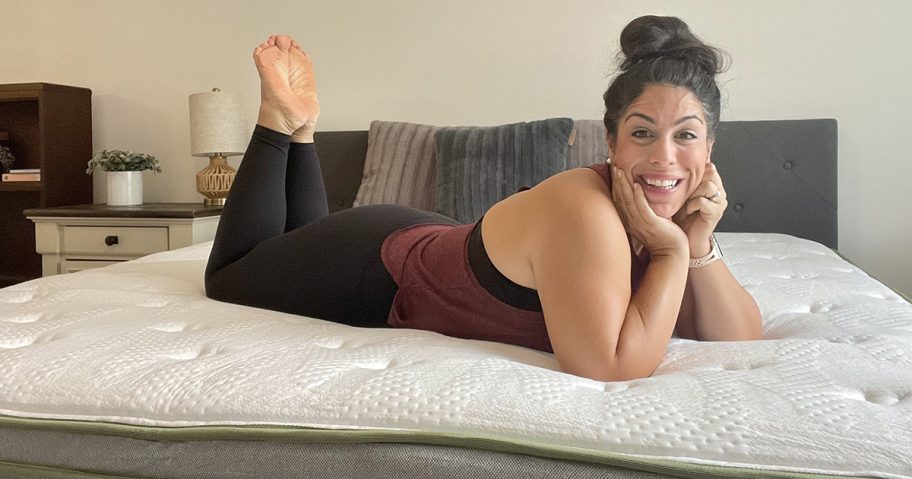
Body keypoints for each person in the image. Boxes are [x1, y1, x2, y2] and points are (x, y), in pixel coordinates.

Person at [205, 16, 762, 382]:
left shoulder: (674, 212)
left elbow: (739, 334)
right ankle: (281, 126)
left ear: (709, 147)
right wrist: (668, 254)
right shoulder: (586, 208)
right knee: (230, 276)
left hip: (434, 236)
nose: (665, 156)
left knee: (289, 248)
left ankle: (301, 132)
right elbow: (609, 369)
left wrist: (696, 242)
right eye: (642, 133)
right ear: (611, 142)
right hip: (378, 266)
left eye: (686, 135)